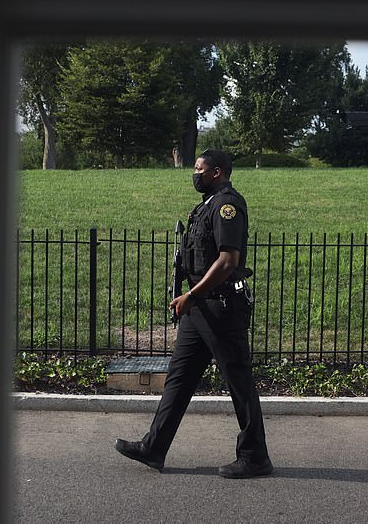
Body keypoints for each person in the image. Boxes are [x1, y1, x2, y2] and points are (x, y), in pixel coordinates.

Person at [115, 148, 273, 479]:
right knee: (180, 378)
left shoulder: (227, 205)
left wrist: (191, 294)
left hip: (221, 307)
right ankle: (154, 447)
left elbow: (228, 260)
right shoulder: (205, 206)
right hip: (199, 308)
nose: (194, 174)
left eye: (199, 169)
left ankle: (255, 456)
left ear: (216, 172)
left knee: (239, 382)